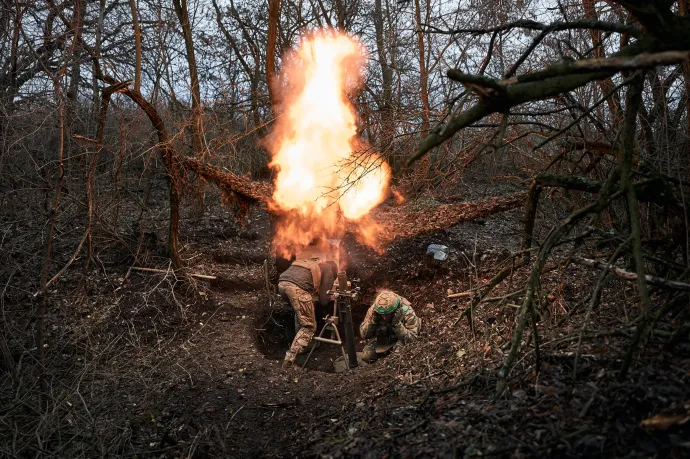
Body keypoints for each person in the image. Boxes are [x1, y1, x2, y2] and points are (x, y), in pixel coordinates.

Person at [278, 258, 338, 368]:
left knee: (300, 314)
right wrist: (332, 297)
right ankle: (290, 360)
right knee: (309, 326)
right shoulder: (329, 270)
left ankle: (301, 345)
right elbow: (323, 300)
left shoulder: (311, 263)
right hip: (297, 289)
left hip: (282, 284)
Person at [359, 290, 421, 363]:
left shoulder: (407, 311)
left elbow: (412, 339)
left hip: (400, 340)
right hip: (383, 340)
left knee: (398, 355)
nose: (384, 317)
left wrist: (397, 324)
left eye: (388, 314)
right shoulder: (374, 310)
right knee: (366, 356)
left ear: (395, 310)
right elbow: (364, 335)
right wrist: (373, 322)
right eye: (382, 314)